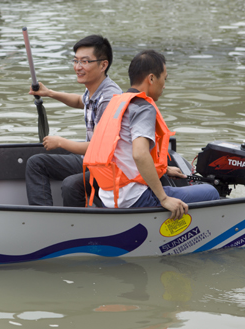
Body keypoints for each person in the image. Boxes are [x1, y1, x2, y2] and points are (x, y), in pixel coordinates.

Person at [84, 50, 220, 220]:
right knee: (211, 192)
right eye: (165, 78)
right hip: (134, 199)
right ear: (151, 79)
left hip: (110, 197)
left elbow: (122, 152)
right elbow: (139, 154)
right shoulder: (143, 107)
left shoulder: (116, 103)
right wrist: (164, 198)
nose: (164, 85)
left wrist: (164, 169)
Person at [25, 35, 122, 206]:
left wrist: (60, 142)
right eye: (76, 61)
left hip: (109, 168)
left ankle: (75, 227)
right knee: (36, 163)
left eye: (85, 62)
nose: (78, 67)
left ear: (103, 65)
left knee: (71, 185)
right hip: (91, 161)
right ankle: (44, 218)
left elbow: (99, 147)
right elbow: (80, 101)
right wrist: (50, 93)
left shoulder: (109, 98)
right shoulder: (94, 89)